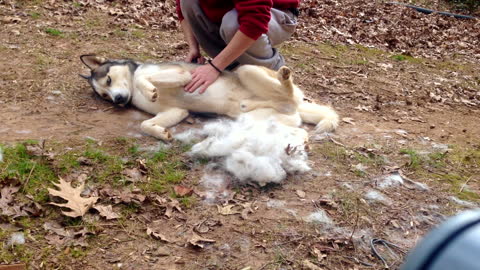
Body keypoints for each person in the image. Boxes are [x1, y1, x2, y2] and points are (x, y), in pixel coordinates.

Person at [175, 0, 300, 94]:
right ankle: (232, 66)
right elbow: (182, 9)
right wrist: (193, 48)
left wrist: (214, 66)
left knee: (233, 23)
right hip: (231, 10)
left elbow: (255, 21)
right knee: (188, 1)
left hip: (278, 12)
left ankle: (274, 72)